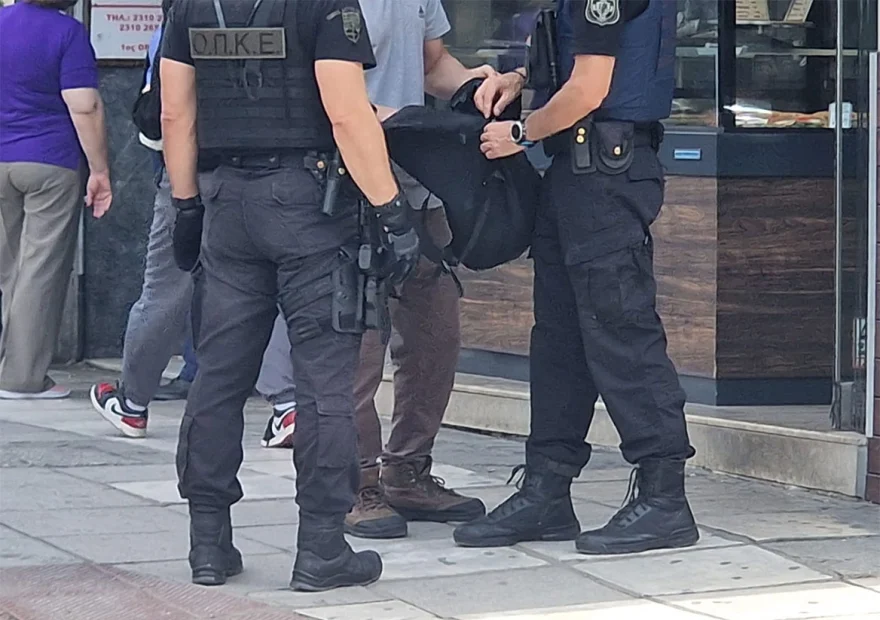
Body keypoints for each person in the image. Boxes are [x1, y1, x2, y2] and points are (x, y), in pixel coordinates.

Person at [160, 0, 420, 591]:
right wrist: (392, 211)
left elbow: (175, 113)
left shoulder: (189, 6)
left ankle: (208, 544)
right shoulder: (325, 5)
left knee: (218, 378)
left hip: (226, 204)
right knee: (325, 383)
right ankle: (322, 548)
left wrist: (186, 205)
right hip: (310, 206)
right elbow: (347, 115)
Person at [255, 0, 519, 541]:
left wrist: (478, 86)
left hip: (419, 184)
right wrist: (375, 120)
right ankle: (355, 483)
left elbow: (432, 63)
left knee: (434, 337)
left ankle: (408, 471)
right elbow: (303, 85)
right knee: (357, 349)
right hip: (345, 188)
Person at [455, 0, 700, 556]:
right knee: (559, 342)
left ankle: (665, 498)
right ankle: (547, 490)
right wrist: (523, 77)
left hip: (607, 173)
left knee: (622, 332)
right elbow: (582, 56)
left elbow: (589, 89)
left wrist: (521, 132)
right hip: (577, 170)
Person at [89, 0, 201, 436]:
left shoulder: (178, 25)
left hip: (187, 173)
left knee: (166, 289)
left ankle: (132, 402)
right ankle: (287, 403)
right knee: (260, 287)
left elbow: (162, 117)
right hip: (266, 174)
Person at [0, 0, 112, 400]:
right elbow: (85, 105)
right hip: (50, 161)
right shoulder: (67, 33)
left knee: (8, 268)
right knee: (40, 271)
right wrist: (100, 170)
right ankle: (22, 378)